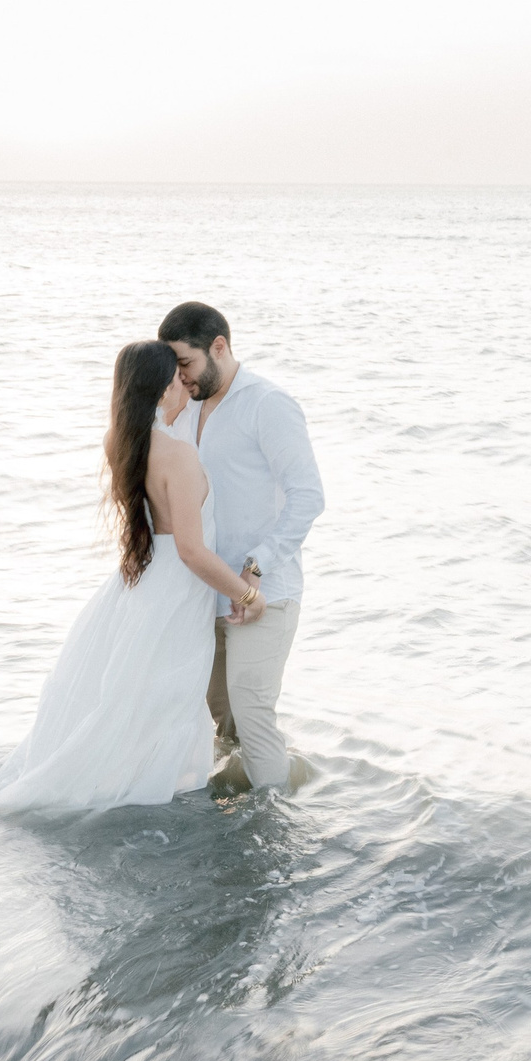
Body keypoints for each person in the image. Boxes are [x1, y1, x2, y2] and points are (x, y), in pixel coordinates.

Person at [0, 341, 266, 811]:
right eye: (177, 378)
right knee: (163, 700)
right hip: (176, 589)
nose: (184, 388)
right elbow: (193, 551)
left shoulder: (119, 440)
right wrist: (248, 596)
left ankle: (126, 786)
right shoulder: (178, 455)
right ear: (162, 387)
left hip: (143, 579)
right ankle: (158, 796)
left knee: (132, 697)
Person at [157, 301, 324, 795]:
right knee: (222, 720)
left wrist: (257, 565)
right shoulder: (182, 408)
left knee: (253, 714)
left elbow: (308, 495)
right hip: (203, 591)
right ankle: (234, 817)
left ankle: (276, 823)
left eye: (185, 363)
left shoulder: (267, 403)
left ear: (220, 347)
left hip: (264, 590)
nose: (180, 377)